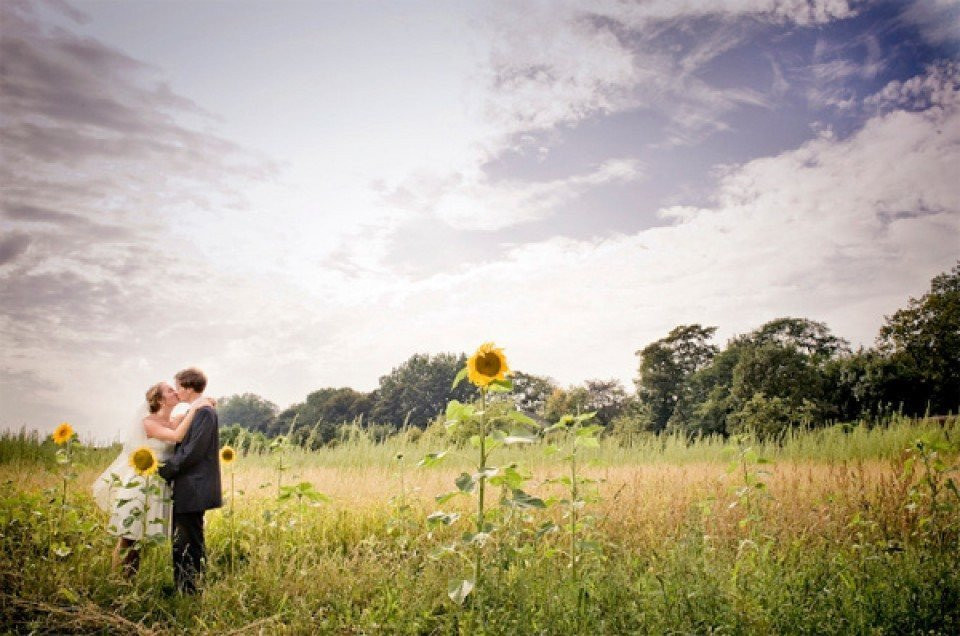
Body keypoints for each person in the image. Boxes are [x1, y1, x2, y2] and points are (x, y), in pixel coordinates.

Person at [92, 382, 213, 576]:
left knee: (141, 538)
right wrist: (196, 408)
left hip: (158, 485)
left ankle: (129, 581)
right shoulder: (148, 422)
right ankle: (117, 581)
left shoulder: (174, 419)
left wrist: (201, 403)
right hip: (140, 484)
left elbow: (187, 417)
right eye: (170, 390)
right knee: (129, 537)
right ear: (159, 400)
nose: (175, 391)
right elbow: (176, 435)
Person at [158, 367, 222, 595]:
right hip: (190, 486)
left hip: (194, 486)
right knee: (184, 538)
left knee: (188, 540)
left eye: (178, 388)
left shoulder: (204, 412)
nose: (176, 392)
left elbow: (193, 451)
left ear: (187, 388)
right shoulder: (198, 410)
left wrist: (166, 470)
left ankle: (189, 590)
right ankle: (184, 586)